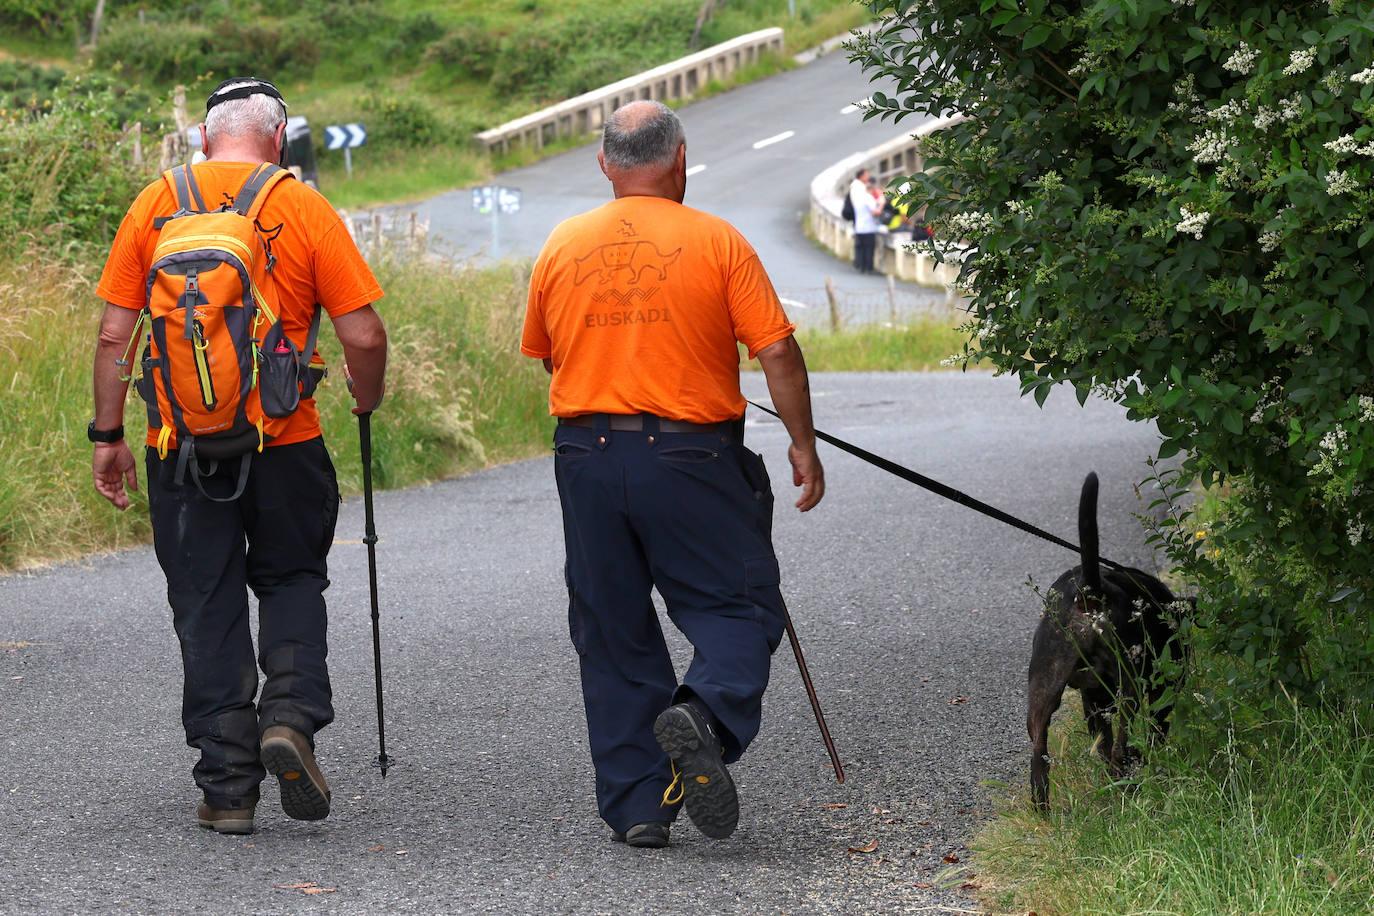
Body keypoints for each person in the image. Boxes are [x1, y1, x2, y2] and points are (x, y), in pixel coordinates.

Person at [521, 100, 825, 850]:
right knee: (741, 605)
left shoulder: (561, 245)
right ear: (681, 160)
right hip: (692, 456)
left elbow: (551, 354)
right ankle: (708, 713)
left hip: (585, 455)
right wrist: (802, 444)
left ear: (604, 164)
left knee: (612, 623)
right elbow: (777, 352)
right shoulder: (716, 240)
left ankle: (638, 806)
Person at [90, 77, 388, 836]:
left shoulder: (154, 203)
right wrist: (364, 396)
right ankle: (287, 716)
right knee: (290, 578)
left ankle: (227, 789)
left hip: (179, 448)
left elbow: (113, 337)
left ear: (201, 140)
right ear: (278, 139)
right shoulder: (302, 204)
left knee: (205, 603)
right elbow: (363, 335)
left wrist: (108, 435)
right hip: (284, 441)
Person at [849, 169, 882, 274]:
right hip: (868, 228)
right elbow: (875, 212)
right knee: (869, 249)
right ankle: (869, 268)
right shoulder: (868, 198)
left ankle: (862, 267)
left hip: (859, 227)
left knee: (862, 248)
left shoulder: (858, 197)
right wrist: (881, 204)